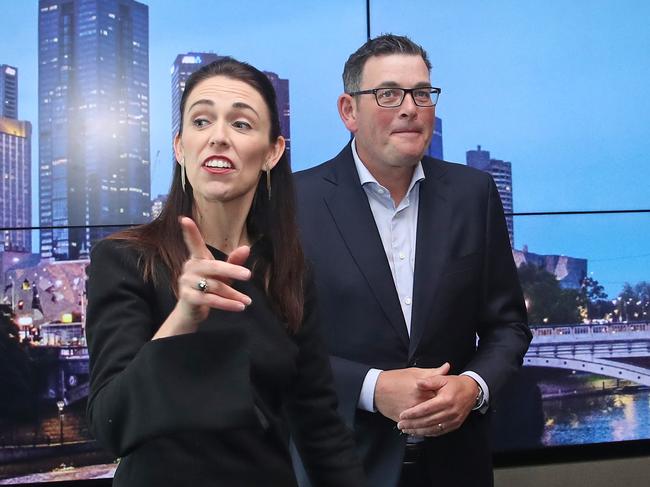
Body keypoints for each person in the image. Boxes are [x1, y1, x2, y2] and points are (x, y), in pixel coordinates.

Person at [85, 58, 364, 487]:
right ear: (180, 147)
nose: (218, 137)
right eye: (201, 120)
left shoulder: (287, 272)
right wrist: (184, 318)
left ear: (273, 152)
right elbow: (112, 425)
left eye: (241, 124)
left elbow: (321, 429)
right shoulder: (125, 259)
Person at [293, 35, 532, 487]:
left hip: (457, 465)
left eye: (422, 93)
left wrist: (472, 387)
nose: (410, 108)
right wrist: (371, 388)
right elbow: (275, 345)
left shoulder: (473, 195)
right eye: (388, 94)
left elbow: (508, 327)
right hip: (339, 465)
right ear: (349, 111)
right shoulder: (292, 202)